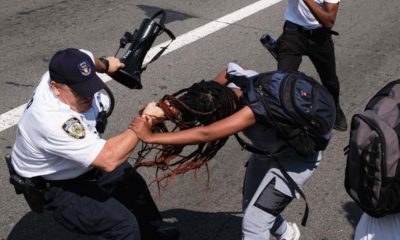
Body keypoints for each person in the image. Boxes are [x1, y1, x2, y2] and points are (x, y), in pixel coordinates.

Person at [132, 63, 326, 240]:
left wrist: (150, 137)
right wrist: (164, 111)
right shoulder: (242, 80)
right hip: (267, 151)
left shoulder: (250, 112)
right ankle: (288, 234)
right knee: (251, 204)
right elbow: (226, 72)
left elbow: (204, 133)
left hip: (296, 162)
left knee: (253, 226)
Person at [10, 48, 179, 240]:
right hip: (57, 183)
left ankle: (153, 233)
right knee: (122, 227)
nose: (88, 96)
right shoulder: (52, 120)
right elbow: (109, 159)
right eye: (79, 92)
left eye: (89, 87)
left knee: (129, 180)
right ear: (56, 88)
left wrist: (106, 65)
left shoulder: (62, 70)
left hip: (76, 164)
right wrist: (146, 119)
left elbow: (86, 57)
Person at [274, 0, 347, 131]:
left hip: (320, 37)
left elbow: (329, 21)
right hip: (293, 34)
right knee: (282, 80)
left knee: (330, 82)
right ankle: (287, 121)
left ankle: (335, 108)